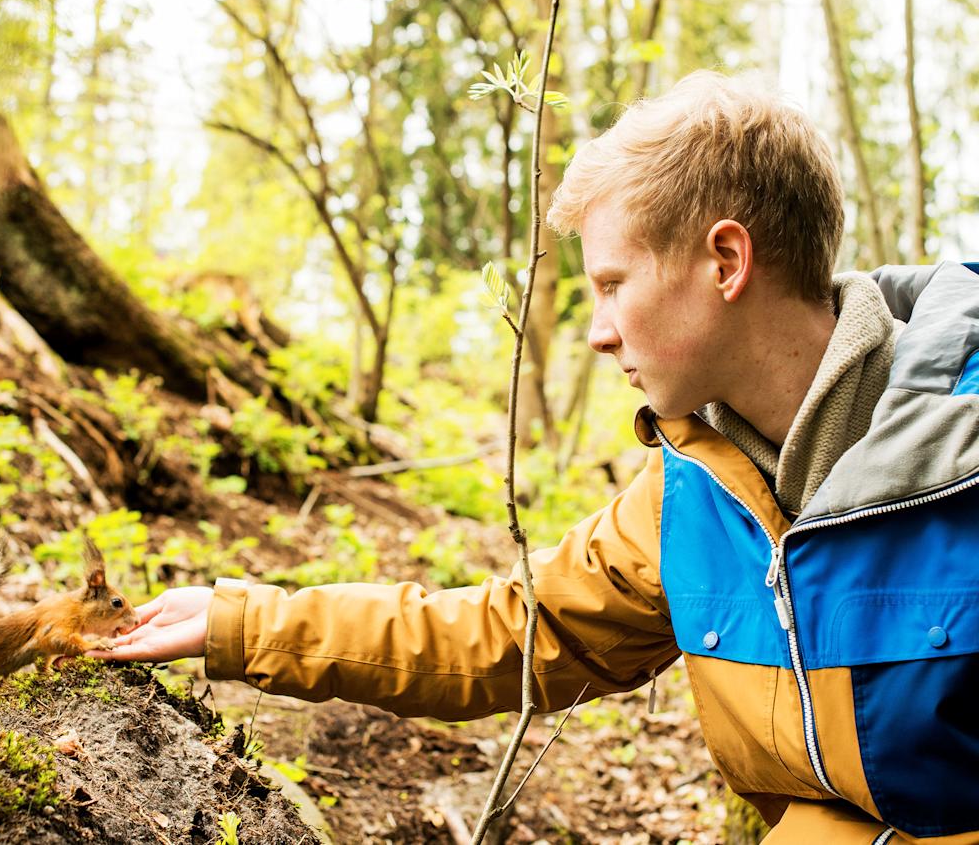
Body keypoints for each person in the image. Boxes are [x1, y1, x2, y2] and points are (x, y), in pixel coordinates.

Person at [88, 71, 979, 843]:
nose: (597, 333)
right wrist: (243, 623)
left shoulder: (963, 451)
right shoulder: (698, 490)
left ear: (725, 261)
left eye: (613, 285)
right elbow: (512, 632)